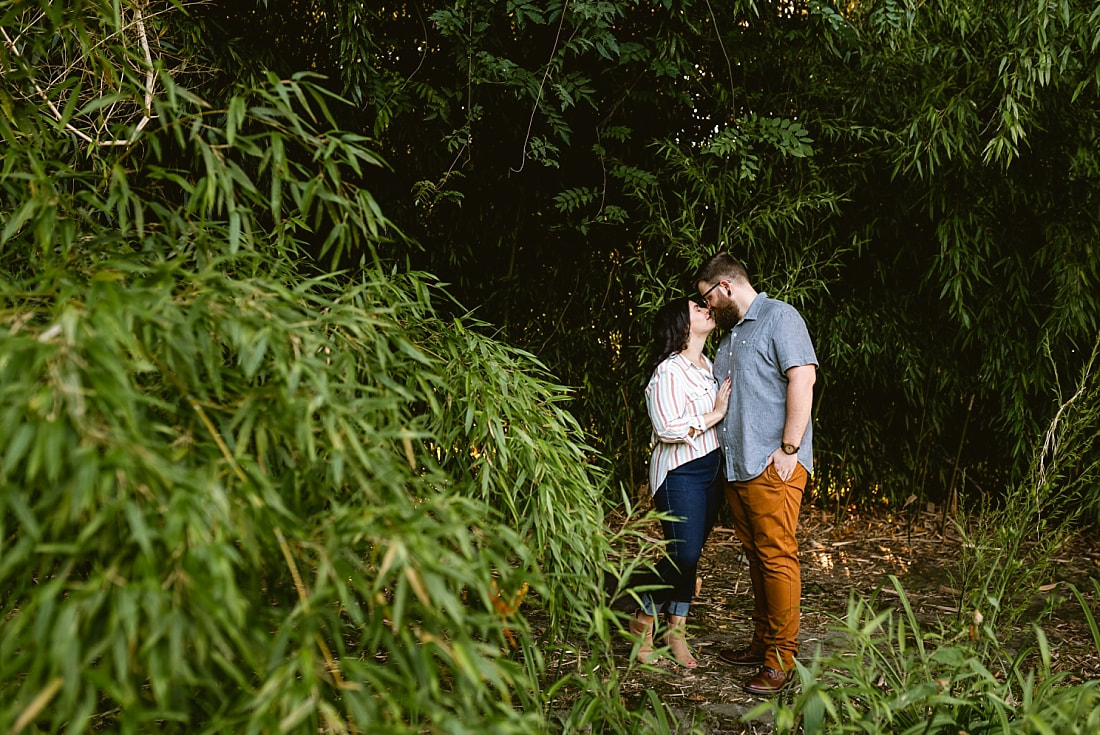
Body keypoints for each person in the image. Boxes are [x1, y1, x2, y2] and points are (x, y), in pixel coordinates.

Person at [695, 252, 817, 695]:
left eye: (706, 298)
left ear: (724, 287)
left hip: (773, 464)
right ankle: (763, 643)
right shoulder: (729, 339)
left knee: (777, 556)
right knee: (760, 559)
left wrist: (789, 447)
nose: (707, 309)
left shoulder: (779, 317)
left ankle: (780, 660)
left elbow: (803, 378)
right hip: (739, 467)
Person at [631, 297, 732, 668]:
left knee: (690, 559)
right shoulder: (669, 371)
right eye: (697, 309)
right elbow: (666, 427)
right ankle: (642, 621)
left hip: (711, 470)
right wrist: (715, 413)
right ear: (682, 326)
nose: (707, 309)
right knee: (683, 554)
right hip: (680, 472)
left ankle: (676, 629)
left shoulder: (712, 365)